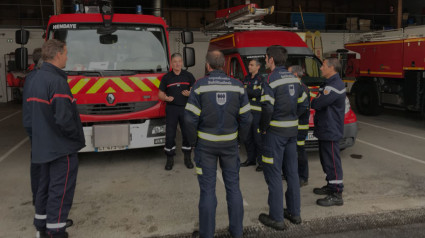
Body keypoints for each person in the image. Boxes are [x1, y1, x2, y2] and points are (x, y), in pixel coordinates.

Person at [185, 50, 252, 238]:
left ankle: (207, 234)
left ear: (208, 65)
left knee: (207, 190)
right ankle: (237, 232)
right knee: (233, 187)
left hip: (205, 145)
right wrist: (239, 140)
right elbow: (247, 118)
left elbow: (189, 120)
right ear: (224, 65)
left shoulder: (199, 86)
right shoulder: (238, 86)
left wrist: (193, 142)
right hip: (230, 145)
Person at [22, 39, 85, 238]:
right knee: (60, 191)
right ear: (58, 54)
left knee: (44, 187)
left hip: (42, 146)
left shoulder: (34, 79)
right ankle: (56, 231)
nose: (67, 57)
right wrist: (75, 139)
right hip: (61, 148)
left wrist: (37, 138)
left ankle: (41, 226)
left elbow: (29, 116)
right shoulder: (57, 82)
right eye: (66, 53)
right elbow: (64, 119)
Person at [258, 45, 309, 230]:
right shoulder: (294, 79)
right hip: (291, 133)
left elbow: (268, 108)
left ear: (271, 59)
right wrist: (293, 115)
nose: (265, 61)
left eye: (265, 58)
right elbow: (304, 102)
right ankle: (295, 214)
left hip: (275, 134)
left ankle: (277, 217)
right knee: (292, 173)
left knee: (273, 175)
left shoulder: (270, 79)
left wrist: (263, 128)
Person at [311, 58, 346, 207]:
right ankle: (330, 185)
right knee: (326, 160)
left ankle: (337, 193)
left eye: (323, 66)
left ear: (331, 68)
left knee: (332, 161)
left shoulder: (334, 86)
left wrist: (315, 100)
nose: (321, 68)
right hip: (326, 127)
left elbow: (318, 103)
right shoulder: (329, 84)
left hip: (330, 129)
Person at [158, 53, 196, 170]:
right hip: (172, 109)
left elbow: (195, 90)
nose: (177, 64)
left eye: (179, 61)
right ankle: (170, 159)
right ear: (171, 63)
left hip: (186, 108)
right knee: (170, 135)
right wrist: (165, 98)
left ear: (182, 63)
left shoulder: (188, 76)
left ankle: (187, 158)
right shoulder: (166, 77)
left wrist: (191, 93)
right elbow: (160, 94)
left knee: (187, 134)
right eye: (175, 61)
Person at [24, 47, 42, 206]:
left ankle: (38, 199)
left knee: (37, 162)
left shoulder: (31, 77)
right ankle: (41, 201)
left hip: (32, 124)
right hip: (39, 127)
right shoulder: (41, 78)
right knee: (42, 166)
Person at [288, 65, 310, 187]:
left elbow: (302, 108)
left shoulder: (302, 88)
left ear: (295, 75)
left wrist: (292, 115)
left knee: (300, 151)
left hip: (300, 126)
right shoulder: (295, 87)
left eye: (289, 73)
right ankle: (293, 173)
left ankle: (303, 177)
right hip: (293, 125)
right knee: (292, 151)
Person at [240, 58, 264, 172]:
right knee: (247, 137)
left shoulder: (261, 79)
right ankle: (251, 159)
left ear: (258, 67)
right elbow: (244, 93)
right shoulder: (246, 78)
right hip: (246, 112)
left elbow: (258, 93)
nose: (249, 67)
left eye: (251, 65)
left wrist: (246, 91)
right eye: (249, 65)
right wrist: (249, 93)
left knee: (258, 139)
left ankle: (261, 162)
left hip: (257, 113)